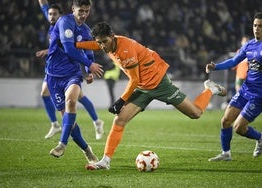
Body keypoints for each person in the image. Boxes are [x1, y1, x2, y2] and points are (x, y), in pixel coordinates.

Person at [75, 22, 227, 170]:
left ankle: (209, 89)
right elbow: (95, 45)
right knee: (119, 120)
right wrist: (74, 45)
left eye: (104, 42)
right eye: (99, 42)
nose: (102, 46)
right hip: (142, 87)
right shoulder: (108, 44)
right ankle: (105, 161)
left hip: (158, 82)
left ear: (112, 36)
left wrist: (121, 101)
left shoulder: (125, 50)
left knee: (196, 113)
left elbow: (134, 80)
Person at [36, 0, 104, 140]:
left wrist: (89, 69)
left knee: (75, 98)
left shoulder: (79, 28)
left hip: (68, 70)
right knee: (47, 93)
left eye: (54, 14)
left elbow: (81, 50)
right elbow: (43, 5)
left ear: (61, 14)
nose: (51, 17)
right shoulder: (57, 23)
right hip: (54, 68)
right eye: (50, 14)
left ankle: (94, 123)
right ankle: (57, 125)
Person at [206, 12, 262, 161]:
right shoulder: (249, 45)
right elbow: (234, 61)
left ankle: (260, 138)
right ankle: (226, 153)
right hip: (245, 89)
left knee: (239, 128)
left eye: (260, 26)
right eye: (255, 25)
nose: (257, 28)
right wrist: (215, 66)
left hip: (258, 96)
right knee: (225, 121)